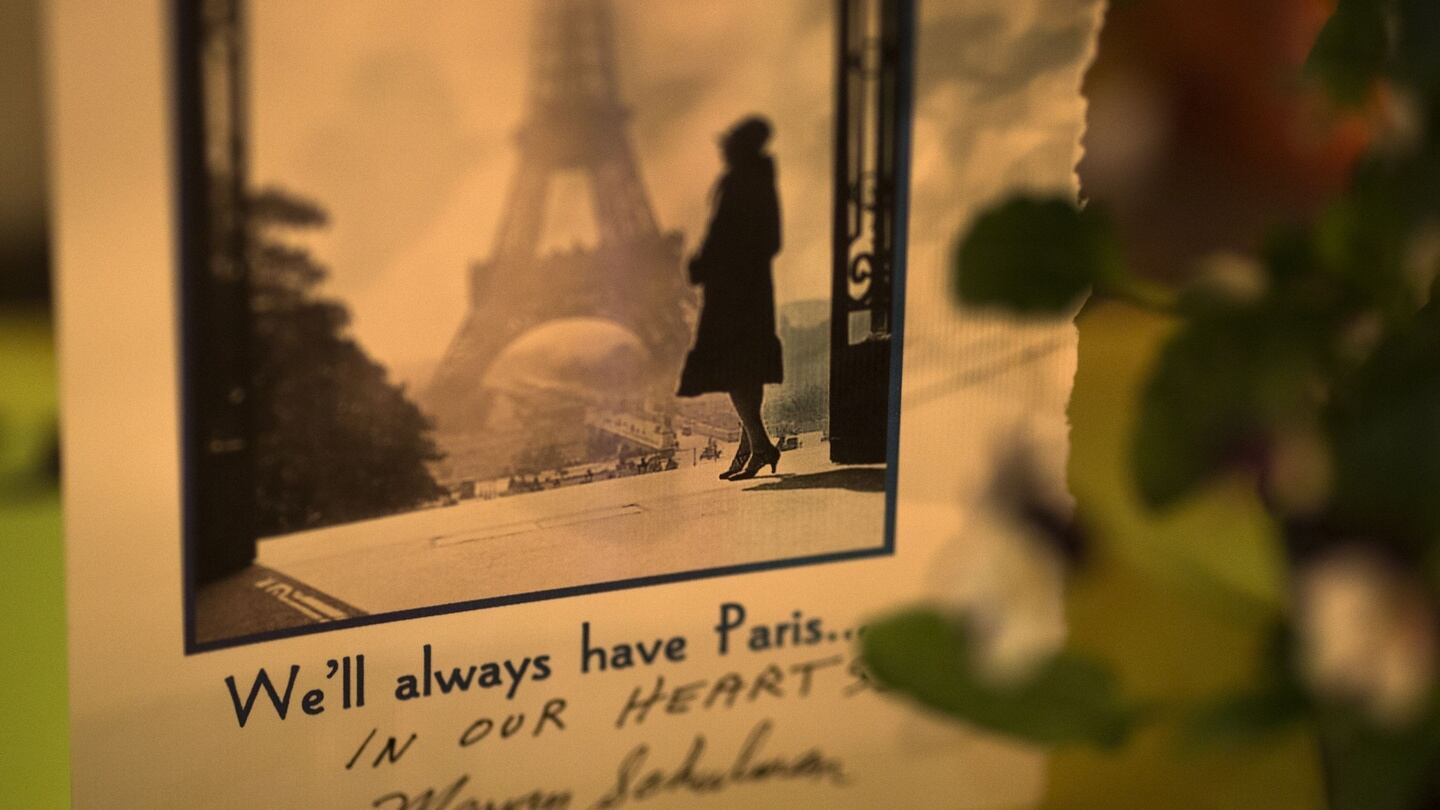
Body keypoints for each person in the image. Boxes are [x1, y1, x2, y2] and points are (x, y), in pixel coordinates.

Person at [676, 116, 783, 481]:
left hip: (733, 292)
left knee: (735, 368)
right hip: (750, 289)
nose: (721, 148)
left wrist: (704, 264)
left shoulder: (740, 181)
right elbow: (769, 239)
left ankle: (760, 445)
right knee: (746, 366)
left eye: (727, 142)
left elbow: (725, 235)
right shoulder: (757, 179)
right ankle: (750, 447)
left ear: (739, 147)